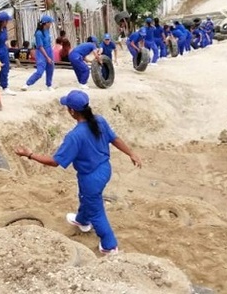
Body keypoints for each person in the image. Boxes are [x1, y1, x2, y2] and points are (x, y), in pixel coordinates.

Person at [14, 90, 142, 255]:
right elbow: (115, 139)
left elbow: (54, 162)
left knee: (96, 210)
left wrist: (29, 154)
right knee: (86, 197)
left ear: (72, 111)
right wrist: (131, 153)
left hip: (90, 177)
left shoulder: (74, 136)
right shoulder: (99, 120)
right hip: (104, 169)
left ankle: (109, 246)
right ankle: (82, 220)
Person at [22, 14, 54, 91]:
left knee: (50, 69)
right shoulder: (38, 33)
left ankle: (49, 85)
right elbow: (40, 46)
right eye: (50, 22)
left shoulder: (47, 30)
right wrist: (47, 57)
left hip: (49, 50)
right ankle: (27, 84)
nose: (51, 24)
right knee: (40, 71)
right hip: (41, 52)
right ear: (46, 23)